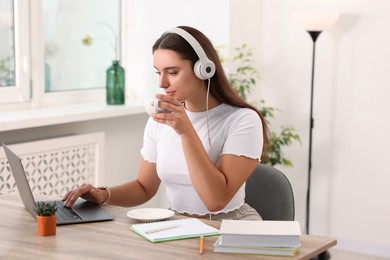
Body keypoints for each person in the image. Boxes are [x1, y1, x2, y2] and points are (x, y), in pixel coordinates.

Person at [63, 25, 270, 221]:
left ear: (203, 70)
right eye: (158, 72)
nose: (161, 83)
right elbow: (144, 187)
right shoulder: (161, 120)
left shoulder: (242, 120)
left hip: (229, 224)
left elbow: (215, 200)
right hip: (177, 224)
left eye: (172, 72)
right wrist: (103, 195)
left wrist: (186, 131)